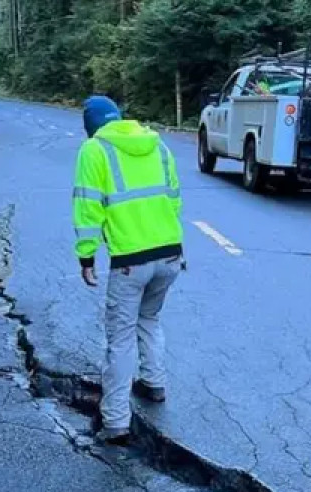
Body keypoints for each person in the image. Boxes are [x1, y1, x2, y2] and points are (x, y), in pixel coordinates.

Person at [72, 95, 184, 444]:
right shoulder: (158, 145)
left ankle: (116, 422)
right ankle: (154, 383)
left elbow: (88, 209)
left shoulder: (94, 150)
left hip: (130, 262)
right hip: (169, 255)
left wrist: (87, 257)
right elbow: (174, 200)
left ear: (91, 126)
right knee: (149, 319)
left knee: (120, 340)